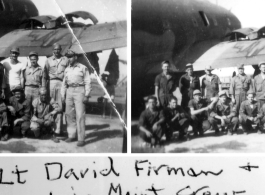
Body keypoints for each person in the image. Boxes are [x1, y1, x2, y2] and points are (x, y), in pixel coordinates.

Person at [61, 49, 91, 147]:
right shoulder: (67, 69)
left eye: (71, 56)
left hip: (79, 90)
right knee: (69, 114)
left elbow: (87, 82)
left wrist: (86, 95)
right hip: (69, 91)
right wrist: (63, 95)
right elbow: (64, 84)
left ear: (75, 57)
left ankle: (81, 138)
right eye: (68, 57)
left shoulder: (83, 68)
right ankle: (71, 135)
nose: (69, 59)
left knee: (80, 115)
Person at [44, 43, 68, 137]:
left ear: (61, 49)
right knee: (51, 105)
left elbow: (67, 72)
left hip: (61, 83)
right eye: (55, 49)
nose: (56, 51)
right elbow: (44, 75)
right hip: (51, 83)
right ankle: (50, 128)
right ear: (52, 50)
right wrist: (44, 87)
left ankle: (58, 130)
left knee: (60, 106)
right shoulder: (48, 60)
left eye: (58, 49)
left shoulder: (65, 59)